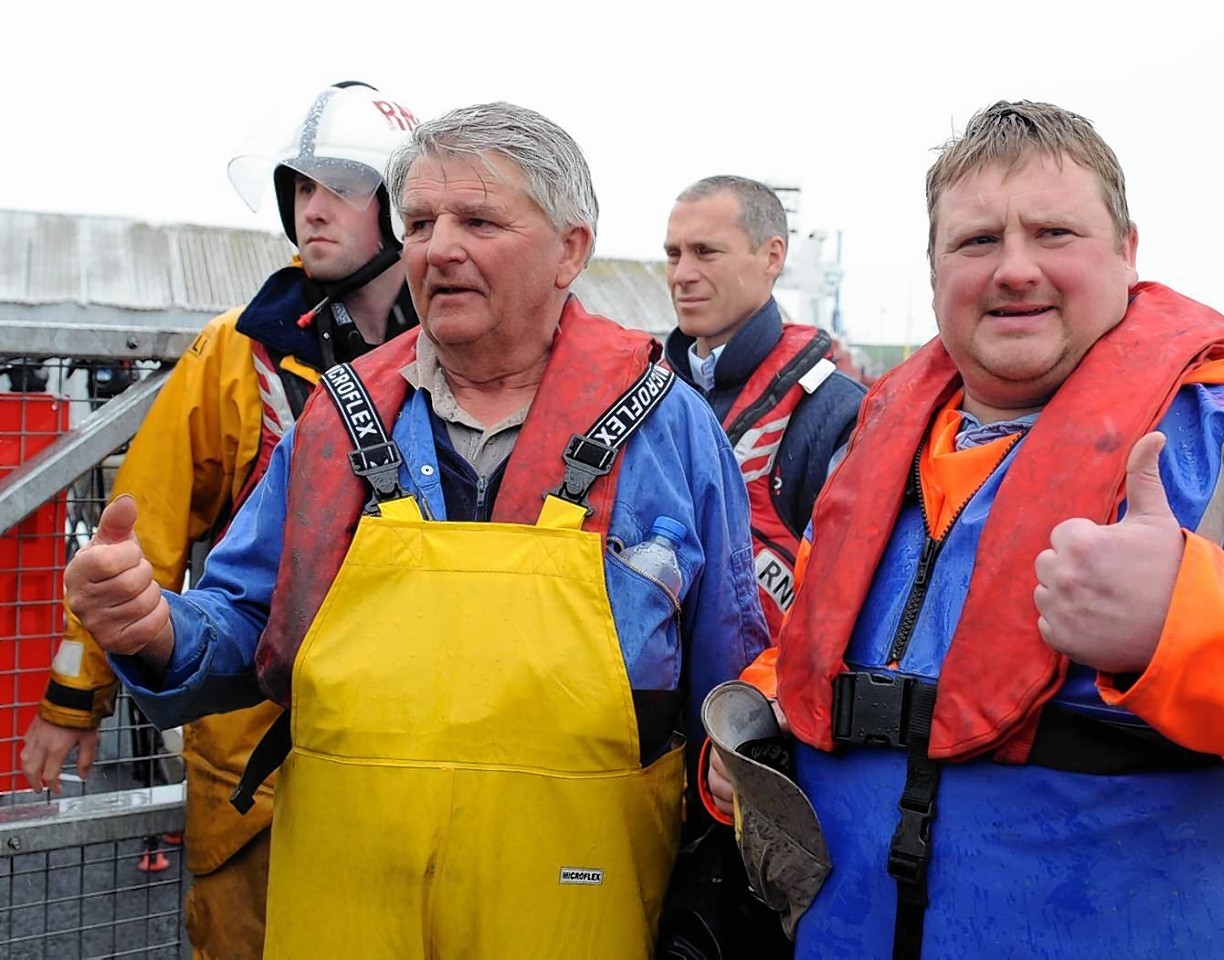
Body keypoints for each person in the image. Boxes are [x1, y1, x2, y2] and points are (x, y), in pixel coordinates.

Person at [707, 100, 1224, 958]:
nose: (1015, 270)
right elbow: (828, 645)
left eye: (1055, 233)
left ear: (1127, 253)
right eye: (977, 242)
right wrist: (758, 711)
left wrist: (1189, 625)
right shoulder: (870, 448)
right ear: (935, 267)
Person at [63, 100, 768, 958]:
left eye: (478, 220)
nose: (439, 248)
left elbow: (731, 677)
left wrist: (743, 764)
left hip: (575, 910)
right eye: (422, 222)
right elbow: (243, 622)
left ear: (571, 250)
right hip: (344, 906)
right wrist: (157, 629)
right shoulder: (335, 418)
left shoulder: (676, 434)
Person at [22, 80, 421, 959]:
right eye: (300, 189)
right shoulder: (235, 352)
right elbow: (141, 533)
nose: (312, 212)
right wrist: (74, 697)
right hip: (254, 753)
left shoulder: (457, 356)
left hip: (409, 747)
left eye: (340, 187)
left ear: (404, 203)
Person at [663, 176, 863, 637]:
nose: (682, 275)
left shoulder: (837, 415)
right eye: (674, 255)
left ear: (772, 256)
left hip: (767, 699)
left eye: (705, 252)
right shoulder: (644, 399)